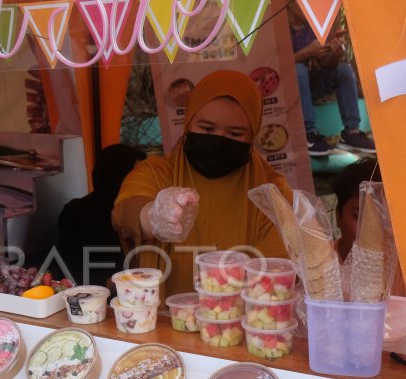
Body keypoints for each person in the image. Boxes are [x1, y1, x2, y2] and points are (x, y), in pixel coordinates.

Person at [112, 70, 292, 297]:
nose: (218, 139)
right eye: (207, 129)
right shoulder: (157, 172)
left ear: (252, 135)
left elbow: (277, 262)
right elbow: (125, 211)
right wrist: (155, 215)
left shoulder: (272, 191)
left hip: (241, 323)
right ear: (188, 123)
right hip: (163, 323)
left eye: (235, 133)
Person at [288, 4, 376, 156]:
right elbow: (274, 66)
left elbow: (324, 64)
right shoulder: (276, 28)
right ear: (288, 3)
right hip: (286, 89)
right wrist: (306, 53)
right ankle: (307, 134)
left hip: (310, 85)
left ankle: (351, 133)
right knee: (298, 69)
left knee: (344, 70)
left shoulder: (312, 26)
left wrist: (336, 52)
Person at [56, 144, 146, 286]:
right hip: (92, 301)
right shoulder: (77, 214)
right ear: (117, 175)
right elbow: (69, 268)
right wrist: (108, 283)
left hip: (139, 295)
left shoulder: (141, 212)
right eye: (136, 176)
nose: (142, 182)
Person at [333, 157, 406, 296]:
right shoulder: (315, 266)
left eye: (383, 219)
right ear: (338, 216)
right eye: (358, 216)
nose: (373, 231)